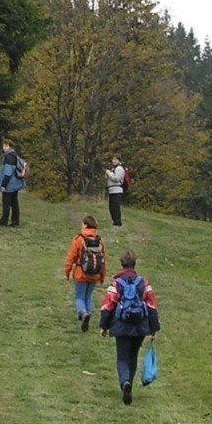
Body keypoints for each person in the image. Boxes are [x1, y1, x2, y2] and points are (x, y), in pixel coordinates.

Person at [99, 249, 160, 405]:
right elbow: (151, 306)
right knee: (132, 356)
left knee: (122, 357)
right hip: (140, 326)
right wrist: (153, 328)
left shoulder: (117, 283)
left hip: (121, 325)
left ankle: (124, 381)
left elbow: (108, 305)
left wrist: (103, 326)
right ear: (134, 264)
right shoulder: (143, 283)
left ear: (121, 264)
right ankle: (129, 385)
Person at [64, 215, 106, 331]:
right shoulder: (100, 241)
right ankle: (87, 314)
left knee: (79, 297)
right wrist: (102, 276)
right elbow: (103, 261)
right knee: (88, 296)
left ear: (85, 225)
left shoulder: (78, 239)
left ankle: (83, 314)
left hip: (80, 273)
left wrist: (67, 272)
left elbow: (70, 257)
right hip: (95, 274)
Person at [0, 139, 24, 227]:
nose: (4, 148)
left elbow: (8, 173)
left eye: (5, 146)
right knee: (14, 203)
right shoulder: (15, 155)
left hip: (9, 184)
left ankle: (3, 222)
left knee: (6, 203)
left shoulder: (8, 157)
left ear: (9, 146)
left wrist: (3, 185)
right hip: (15, 183)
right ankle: (15, 221)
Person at [105, 156, 128, 227]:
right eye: (113, 159)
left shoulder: (119, 168)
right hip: (111, 190)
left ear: (119, 161)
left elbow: (116, 178)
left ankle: (118, 223)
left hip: (117, 190)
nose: (114, 161)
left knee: (116, 207)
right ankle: (114, 222)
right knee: (111, 207)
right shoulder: (113, 168)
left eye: (116, 160)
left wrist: (109, 173)